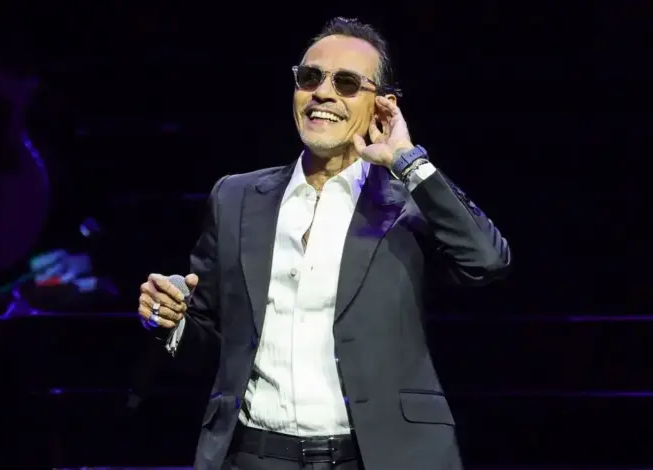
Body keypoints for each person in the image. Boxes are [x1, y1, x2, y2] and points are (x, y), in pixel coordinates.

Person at [137, 17, 510, 470]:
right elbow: (215, 344)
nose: (323, 94)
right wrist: (172, 320)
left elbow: (486, 261)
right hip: (255, 456)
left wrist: (406, 160)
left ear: (382, 105)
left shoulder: (409, 201)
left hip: (380, 457)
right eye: (310, 77)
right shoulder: (236, 197)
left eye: (346, 83)